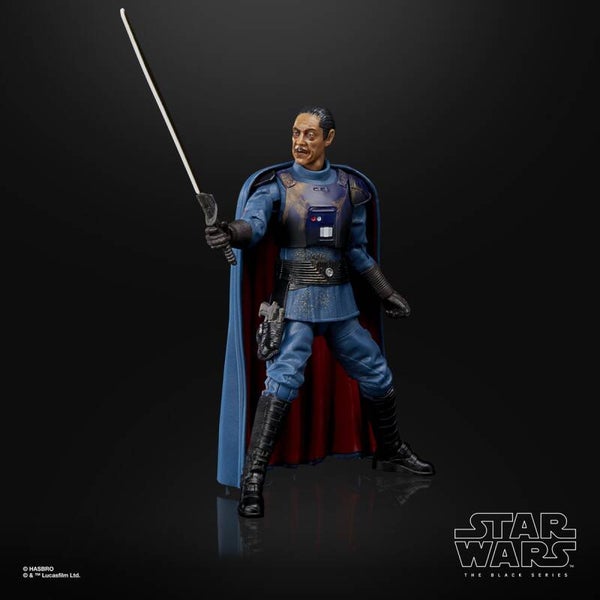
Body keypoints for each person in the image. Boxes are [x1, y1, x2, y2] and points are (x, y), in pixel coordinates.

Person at [206, 106, 434, 519]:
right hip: (295, 302)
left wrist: (385, 291)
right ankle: (253, 476)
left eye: (309, 134)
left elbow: (357, 251)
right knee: (283, 379)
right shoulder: (278, 187)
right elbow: (253, 226)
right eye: (295, 133)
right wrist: (229, 231)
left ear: (328, 138)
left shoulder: (350, 188)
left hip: (341, 303)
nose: (300, 141)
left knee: (376, 371)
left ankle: (390, 450)